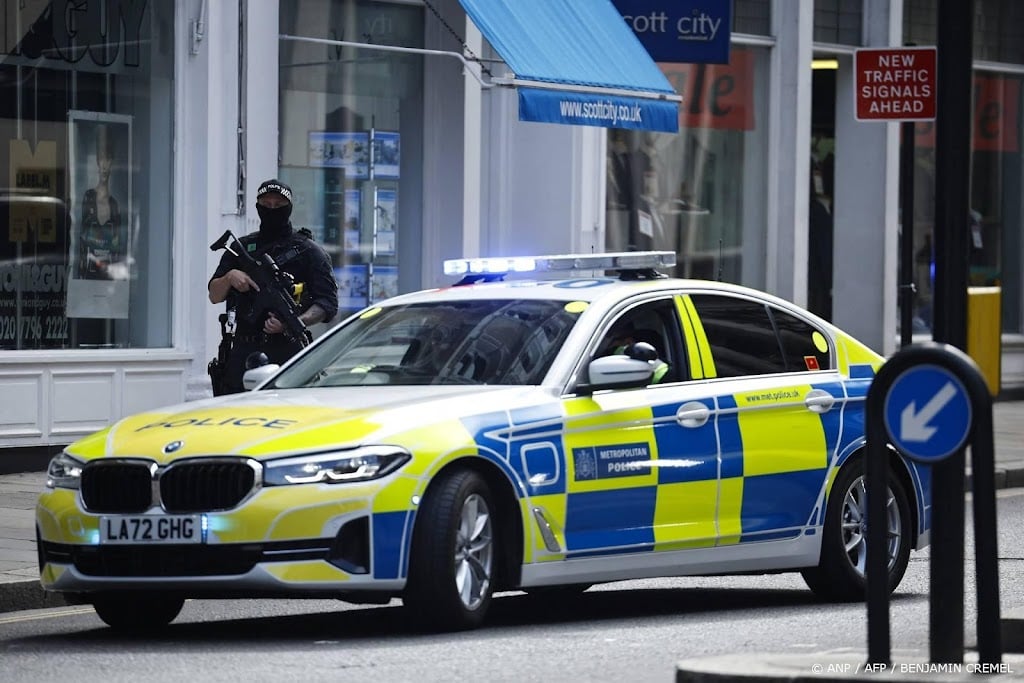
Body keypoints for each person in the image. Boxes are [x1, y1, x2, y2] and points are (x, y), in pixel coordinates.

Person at [208, 179, 338, 393]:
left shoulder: (309, 251)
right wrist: (230, 277)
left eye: (279, 205)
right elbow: (214, 295)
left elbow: (328, 304)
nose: (272, 210)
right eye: (266, 205)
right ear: (258, 207)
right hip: (243, 349)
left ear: (289, 208)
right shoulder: (241, 248)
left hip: (287, 350)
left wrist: (293, 322)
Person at [78, 124, 124, 280]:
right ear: (97, 161)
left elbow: (117, 248)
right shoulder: (88, 198)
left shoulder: (114, 205)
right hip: (88, 279)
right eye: (101, 158)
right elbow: (82, 242)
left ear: (112, 162)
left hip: (108, 281)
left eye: (108, 159)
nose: (104, 165)